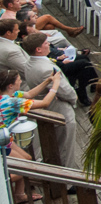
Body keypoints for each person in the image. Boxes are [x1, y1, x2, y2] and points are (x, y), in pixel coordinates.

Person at [1, 67, 62, 202]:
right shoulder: (12, 102)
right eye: (19, 80)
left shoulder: (9, 95)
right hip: (3, 142)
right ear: (11, 85)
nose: (21, 81)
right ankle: (3, 182)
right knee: (21, 169)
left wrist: (48, 81)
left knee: (27, 159)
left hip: (7, 138)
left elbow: (29, 95)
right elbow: (45, 103)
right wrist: (56, 84)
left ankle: (19, 194)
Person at [22, 33, 78, 168]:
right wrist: (74, 99)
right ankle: (67, 181)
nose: (49, 45)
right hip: (59, 109)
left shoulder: (30, 62)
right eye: (46, 43)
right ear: (38, 49)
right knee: (65, 146)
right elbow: (65, 90)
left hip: (47, 106)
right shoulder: (45, 69)